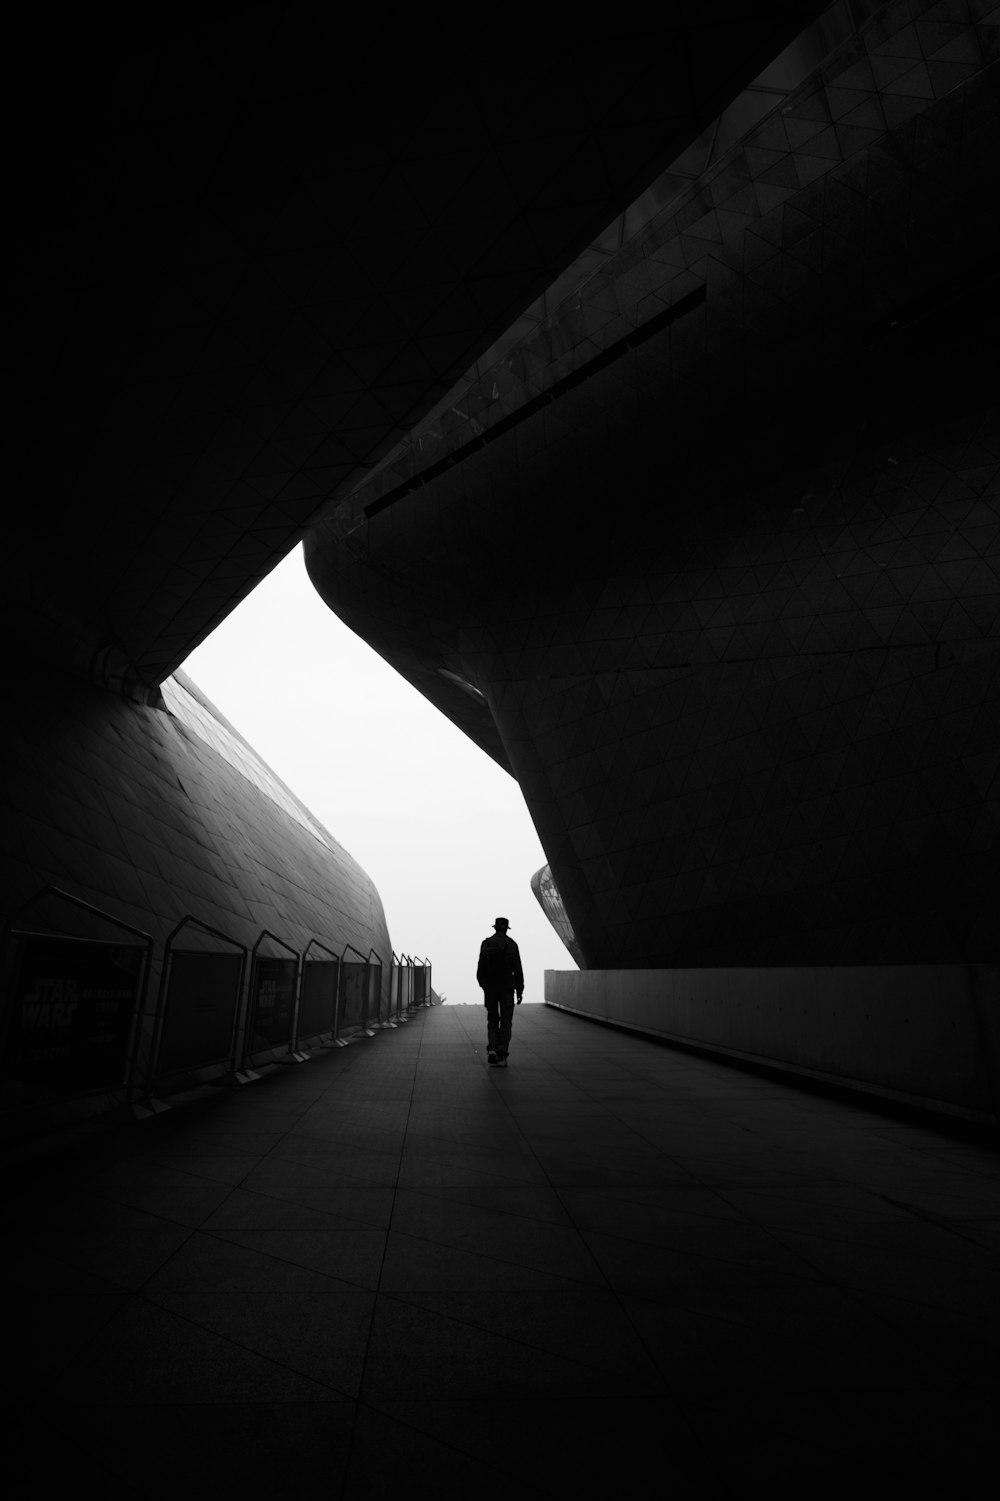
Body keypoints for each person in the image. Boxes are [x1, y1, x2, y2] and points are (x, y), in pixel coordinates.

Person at [476, 916, 524, 1068]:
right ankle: (502, 1054)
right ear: (506, 928)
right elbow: (517, 969)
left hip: (491, 987)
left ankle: (493, 1048)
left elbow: (480, 969)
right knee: (506, 1020)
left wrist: (484, 986)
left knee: (492, 1019)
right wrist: (519, 989)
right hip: (507, 988)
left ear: (495, 928)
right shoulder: (512, 945)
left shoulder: (486, 943)